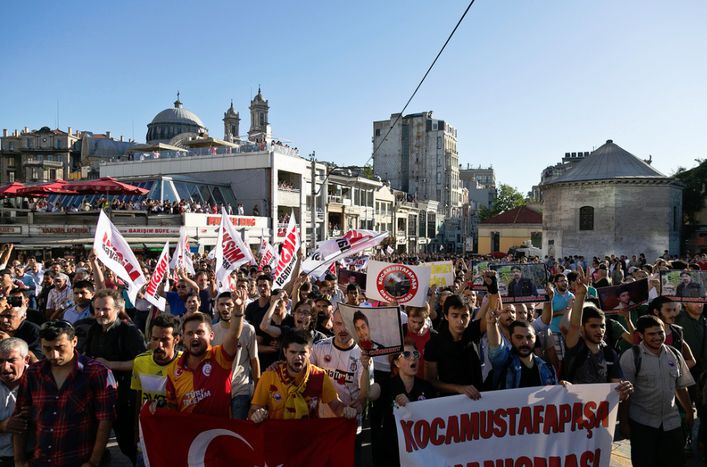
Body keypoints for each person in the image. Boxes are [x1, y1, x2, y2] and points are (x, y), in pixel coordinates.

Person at [13, 320, 118, 467]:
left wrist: (93, 461)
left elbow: (105, 420)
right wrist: (18, 461)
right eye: (47, 349)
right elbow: (19, 419)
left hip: (79, 459)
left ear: (74, 341)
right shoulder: (33, 373)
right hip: (40, 460)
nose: (54, 355)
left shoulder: (96, 373)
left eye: (59, 347)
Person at [619, 315, 695, 467]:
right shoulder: (631, 356)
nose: (657, 337)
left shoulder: (674, 354)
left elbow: (680, 386)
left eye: (660, 333)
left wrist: (689, 412)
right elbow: (625, 395)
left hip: (671, 423)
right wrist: (624, 423)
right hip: (642, 424)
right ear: (641, 335)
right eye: (651, 334)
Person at [84, 289, 146, 464]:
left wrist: (110, 365)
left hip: (124, 397)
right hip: (97, 395)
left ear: (118, 309)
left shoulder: (130, 331)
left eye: (105, 309)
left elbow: (141, 363)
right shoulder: (93, 329)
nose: (100, 313)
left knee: (128, 443)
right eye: (97, 309)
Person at [165, 290, 244, 417]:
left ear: (211, 335)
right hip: (189, 434)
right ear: (182, 338)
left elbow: (234, 333)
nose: (195, 337)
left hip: (219, 433)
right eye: (189, 333)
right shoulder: (174, 369)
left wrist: (239, 309)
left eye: (200, 332)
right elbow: (172, 408)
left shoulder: (220, 356)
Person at [249, 329, 357, 422]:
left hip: (309, 441)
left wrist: (346, 411)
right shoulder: (269, 376)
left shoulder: (319, 376)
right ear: (285, 352)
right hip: (278, 440)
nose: (298, 357)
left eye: (302, 352)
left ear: (310, 352)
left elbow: (336, 405)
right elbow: (254, 410)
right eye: (293, 352)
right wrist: (256, 415)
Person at [562, 277, 633, 399]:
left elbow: (616, 388)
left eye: (602, 326)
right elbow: (573, 326)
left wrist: (623, 392)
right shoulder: (575, 346)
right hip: (573, 411)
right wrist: (580, 294)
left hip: (600, 413)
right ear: (582, 328)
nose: (599, 330)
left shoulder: (609, 354)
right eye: (593, 326)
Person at [131, 313, 181, 467]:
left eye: (165, 340)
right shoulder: (139, 362)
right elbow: (137, 399)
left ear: (176, 340)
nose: (159, 345)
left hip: (175, 434)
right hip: (147, 433)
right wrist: (135, 435)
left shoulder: (184, 363)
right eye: (155, 339)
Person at [378, 341, 436, 467]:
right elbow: (368, 394)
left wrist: (410, 406)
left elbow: (433, 420)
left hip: (420, 454)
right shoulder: (387, 385)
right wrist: (366, 367)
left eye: (415, 354)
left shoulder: (427, 388)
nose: (413, 357)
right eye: (406, 354)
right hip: (392, 454)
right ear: (396, 362)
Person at [211, 292, 260, 420]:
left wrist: (258, 389)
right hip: (218, 389)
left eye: (229, 304)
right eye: (221, 304)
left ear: (235, 306)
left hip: (240, 389)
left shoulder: (248, 329)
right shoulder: (211, 331)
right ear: (217, 306)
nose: (225, 308)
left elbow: (254, 360)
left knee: (238, 429)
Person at [424, 294, 483, 398]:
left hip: (478, 401)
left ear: (470, 316)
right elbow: (431, 381)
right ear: (446, 316)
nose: (460, 321)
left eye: (464, 316)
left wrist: (492, 284)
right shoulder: (434, 344)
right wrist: (459, 388)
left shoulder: (473, 333)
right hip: (450, 404)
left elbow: (493, 310)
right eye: (455, 316)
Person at [486, 303, 557, 389]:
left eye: (529, 337)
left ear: (535, 339)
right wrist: (492, 324)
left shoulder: (547, 369)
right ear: (511, 339)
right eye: (519, 337)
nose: (525, 342)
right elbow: (496, 350)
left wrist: (563, 388)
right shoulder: (504, 364)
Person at [0, 338, 30, 466]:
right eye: (0, 361)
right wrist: (3, 426)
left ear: (26, 359)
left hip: (31, 459)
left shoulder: (40, 382)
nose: (5, 367)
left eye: (12, 361)